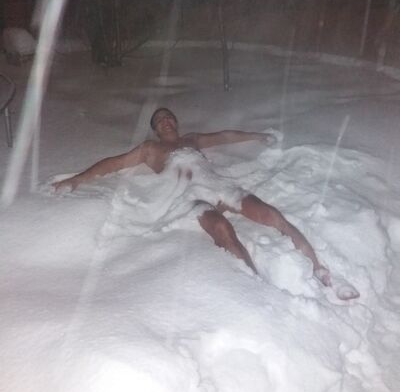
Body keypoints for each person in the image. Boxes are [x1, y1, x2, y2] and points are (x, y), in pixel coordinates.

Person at [53, 107, 333, 288]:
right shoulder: (151, 149)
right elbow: (114, 163)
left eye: (169, 117)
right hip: (192, 197)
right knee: (221, 228)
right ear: (155, 130)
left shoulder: (192, 140)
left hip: (219, 186)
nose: (165, 121)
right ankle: (256, 284)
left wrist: (257, 135)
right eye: (159, 120)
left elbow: (224, 136)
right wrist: (78, 178)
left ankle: (318, 267)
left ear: (176, 122)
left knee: (273, 215)